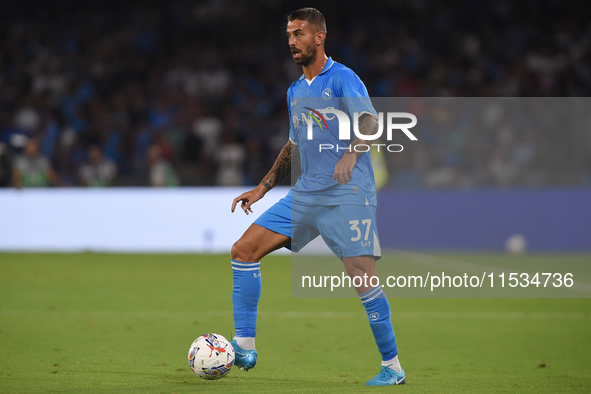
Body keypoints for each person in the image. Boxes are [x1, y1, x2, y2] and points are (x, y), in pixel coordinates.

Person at [229, 8, 404, 386]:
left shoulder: (342, 78)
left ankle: (392, 367)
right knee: (243, 250)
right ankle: (244, 346)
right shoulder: (295, 91)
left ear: (319, 37)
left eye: (299, 33)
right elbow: (293, 145)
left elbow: (371, 122)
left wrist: (351, 153)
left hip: (347, 195)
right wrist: (262, 188)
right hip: (307, 193)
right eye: (289, 34)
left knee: (362, 278)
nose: (292, 40)